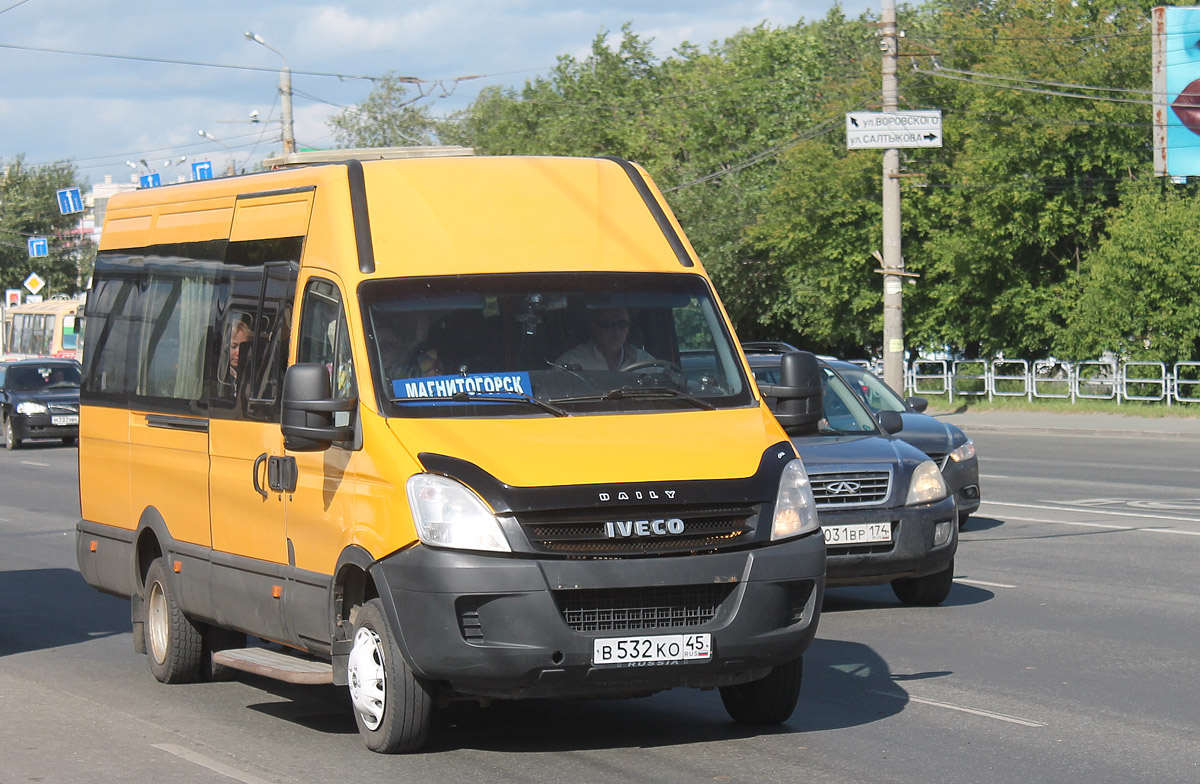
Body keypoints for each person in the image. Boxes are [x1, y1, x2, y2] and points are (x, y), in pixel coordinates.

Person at [556, 307, 653, 371]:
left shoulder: (645, 362)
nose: (616, 331)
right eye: (607, 324)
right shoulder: (570, 362)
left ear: (629, 328)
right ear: (594, 328)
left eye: (622, 324)